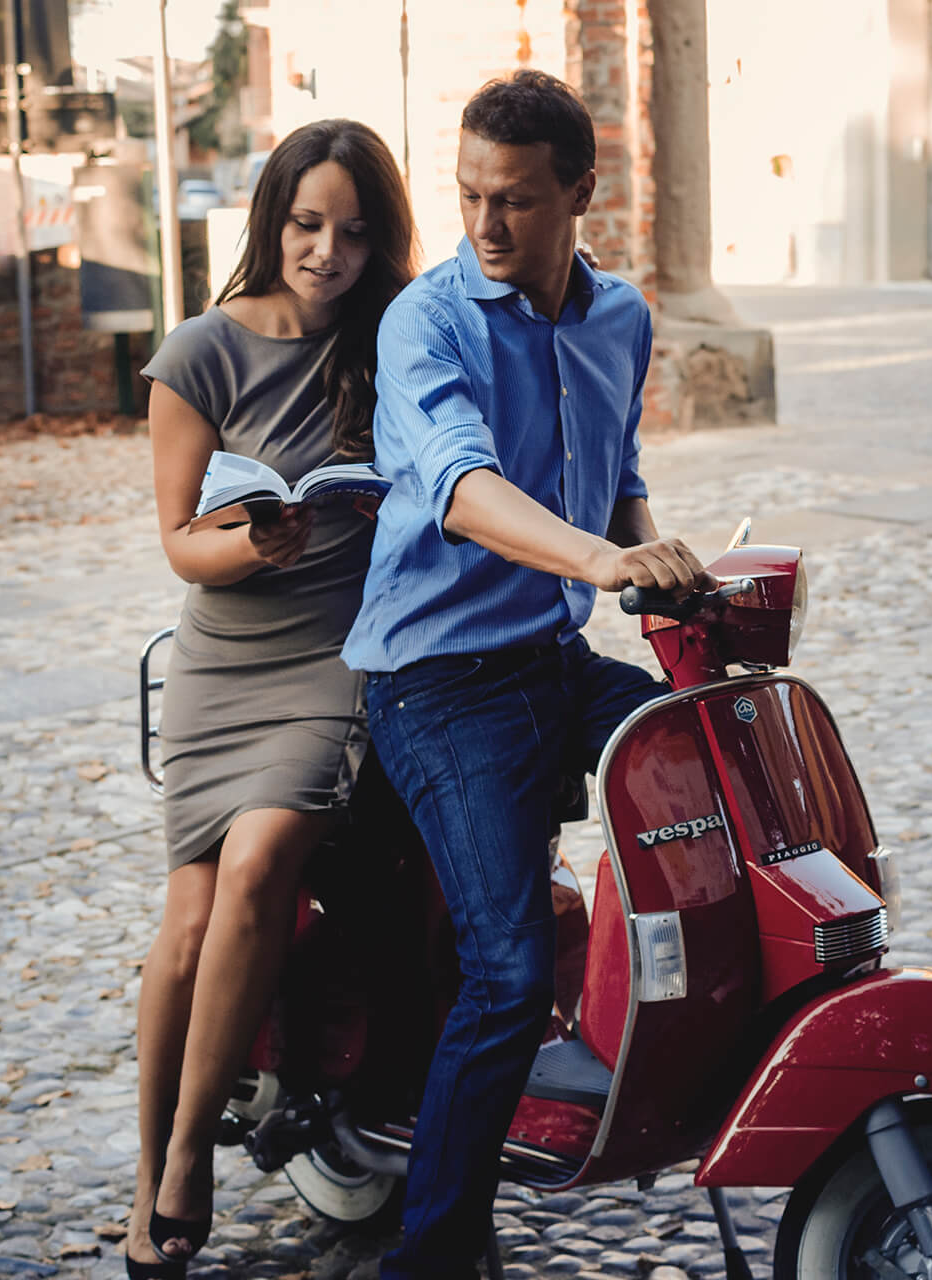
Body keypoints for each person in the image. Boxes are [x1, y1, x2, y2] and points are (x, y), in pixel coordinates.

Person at [342, 69, 715, 1280]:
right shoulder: (428, 319)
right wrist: (608, 558)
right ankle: (433, 1253)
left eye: (513, 200)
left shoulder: (624, 318)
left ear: (579, 196)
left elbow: (615, 469)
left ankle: (667, 1037)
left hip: (553, 656)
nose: (484, 225)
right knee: (503, 973)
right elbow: (461, 487)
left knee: (715, 741)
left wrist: (661, 566)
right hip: (435, 682)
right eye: (467, 195)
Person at [129, 119, 419, 1278]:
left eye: (354, 232)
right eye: (307, 224)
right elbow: (177, 543)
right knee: (188, 922)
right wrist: (256, 543)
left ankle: (192, 1155)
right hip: (224, 662)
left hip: (333, 663)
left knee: (257, 865)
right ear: (273, 219)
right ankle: (147, 1172)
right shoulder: (199, 351)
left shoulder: (393, 338)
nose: (328, 252)